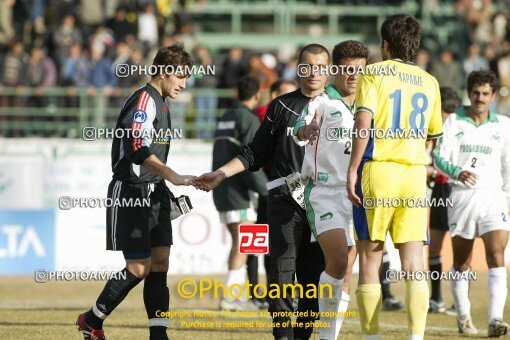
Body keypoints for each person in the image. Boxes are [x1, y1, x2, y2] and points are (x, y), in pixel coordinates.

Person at [193, 44, 329, 340]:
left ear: (329, 70)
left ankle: (302, 335)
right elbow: (254, 152)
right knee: (281, 271)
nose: (314, 72)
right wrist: (221, 173)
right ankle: (282, 335)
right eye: (307, 66)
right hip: (283, 200)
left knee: (311, 277)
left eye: (320, 66)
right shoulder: (280, 107)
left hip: (322, 204)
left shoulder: (339, 108)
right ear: (298, 68)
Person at [76, 44, 197, 340]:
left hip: (155, 192)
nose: (184, 83)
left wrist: (169, 185)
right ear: (164, 71)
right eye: (181, 76)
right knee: (139, 267)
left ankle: (159, 335)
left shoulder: (163, 102)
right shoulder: (145, 100)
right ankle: (92, 319)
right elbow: (136, 148)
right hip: (131, 191)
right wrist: (173, 175)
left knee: (161, 263)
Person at [346, 14, 443, 340]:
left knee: (371, 257)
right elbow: (433, 135)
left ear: (385, 44)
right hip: (414, 175)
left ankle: (371, 337)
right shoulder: (430, 81)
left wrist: (352, 169)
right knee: (415, 262)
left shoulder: (373, 73)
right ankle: (416, 337)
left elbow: (363, 123)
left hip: (379, 169)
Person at [293, 40, 367, 340]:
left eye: (358, 70)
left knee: (347, 270)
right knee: (336, 261)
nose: (352, 76)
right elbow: (300, 128)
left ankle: (328, 336)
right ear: (335, 70)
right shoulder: (321, 102)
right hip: (323, 193)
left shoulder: (368, 106)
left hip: (356, 196)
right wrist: (306, 131)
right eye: (347, 70)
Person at [433, 70, 510, 336]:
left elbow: (507, 165)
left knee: (496, 255)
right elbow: (438, 157)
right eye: (476, 93)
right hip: (462, 197)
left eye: (485, 93)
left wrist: (507, 198)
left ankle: (495, 320)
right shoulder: (454, 121)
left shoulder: (503, 125)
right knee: (462, 262)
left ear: (492, 95)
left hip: (493, 197)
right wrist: (457, 172)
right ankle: (464, 316)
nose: (480, 98)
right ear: (469, 93)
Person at [212, 76, 268, 311]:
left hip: (222, 189)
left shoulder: (225, 117)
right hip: (239, 191)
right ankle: (231, 298)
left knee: (239, 243)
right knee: (244, 244)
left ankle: (233, 295)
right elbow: (249, 161)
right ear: (257, 96)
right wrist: (266, 189)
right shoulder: (249, 119)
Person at [427, 87, 461, 314]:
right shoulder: (440, 128)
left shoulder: (447, 129)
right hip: (443, 189)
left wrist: (428, 169)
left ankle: (442, 299)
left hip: (450, 188)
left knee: (453, 247)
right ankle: (440, 299)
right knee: (439, 247)